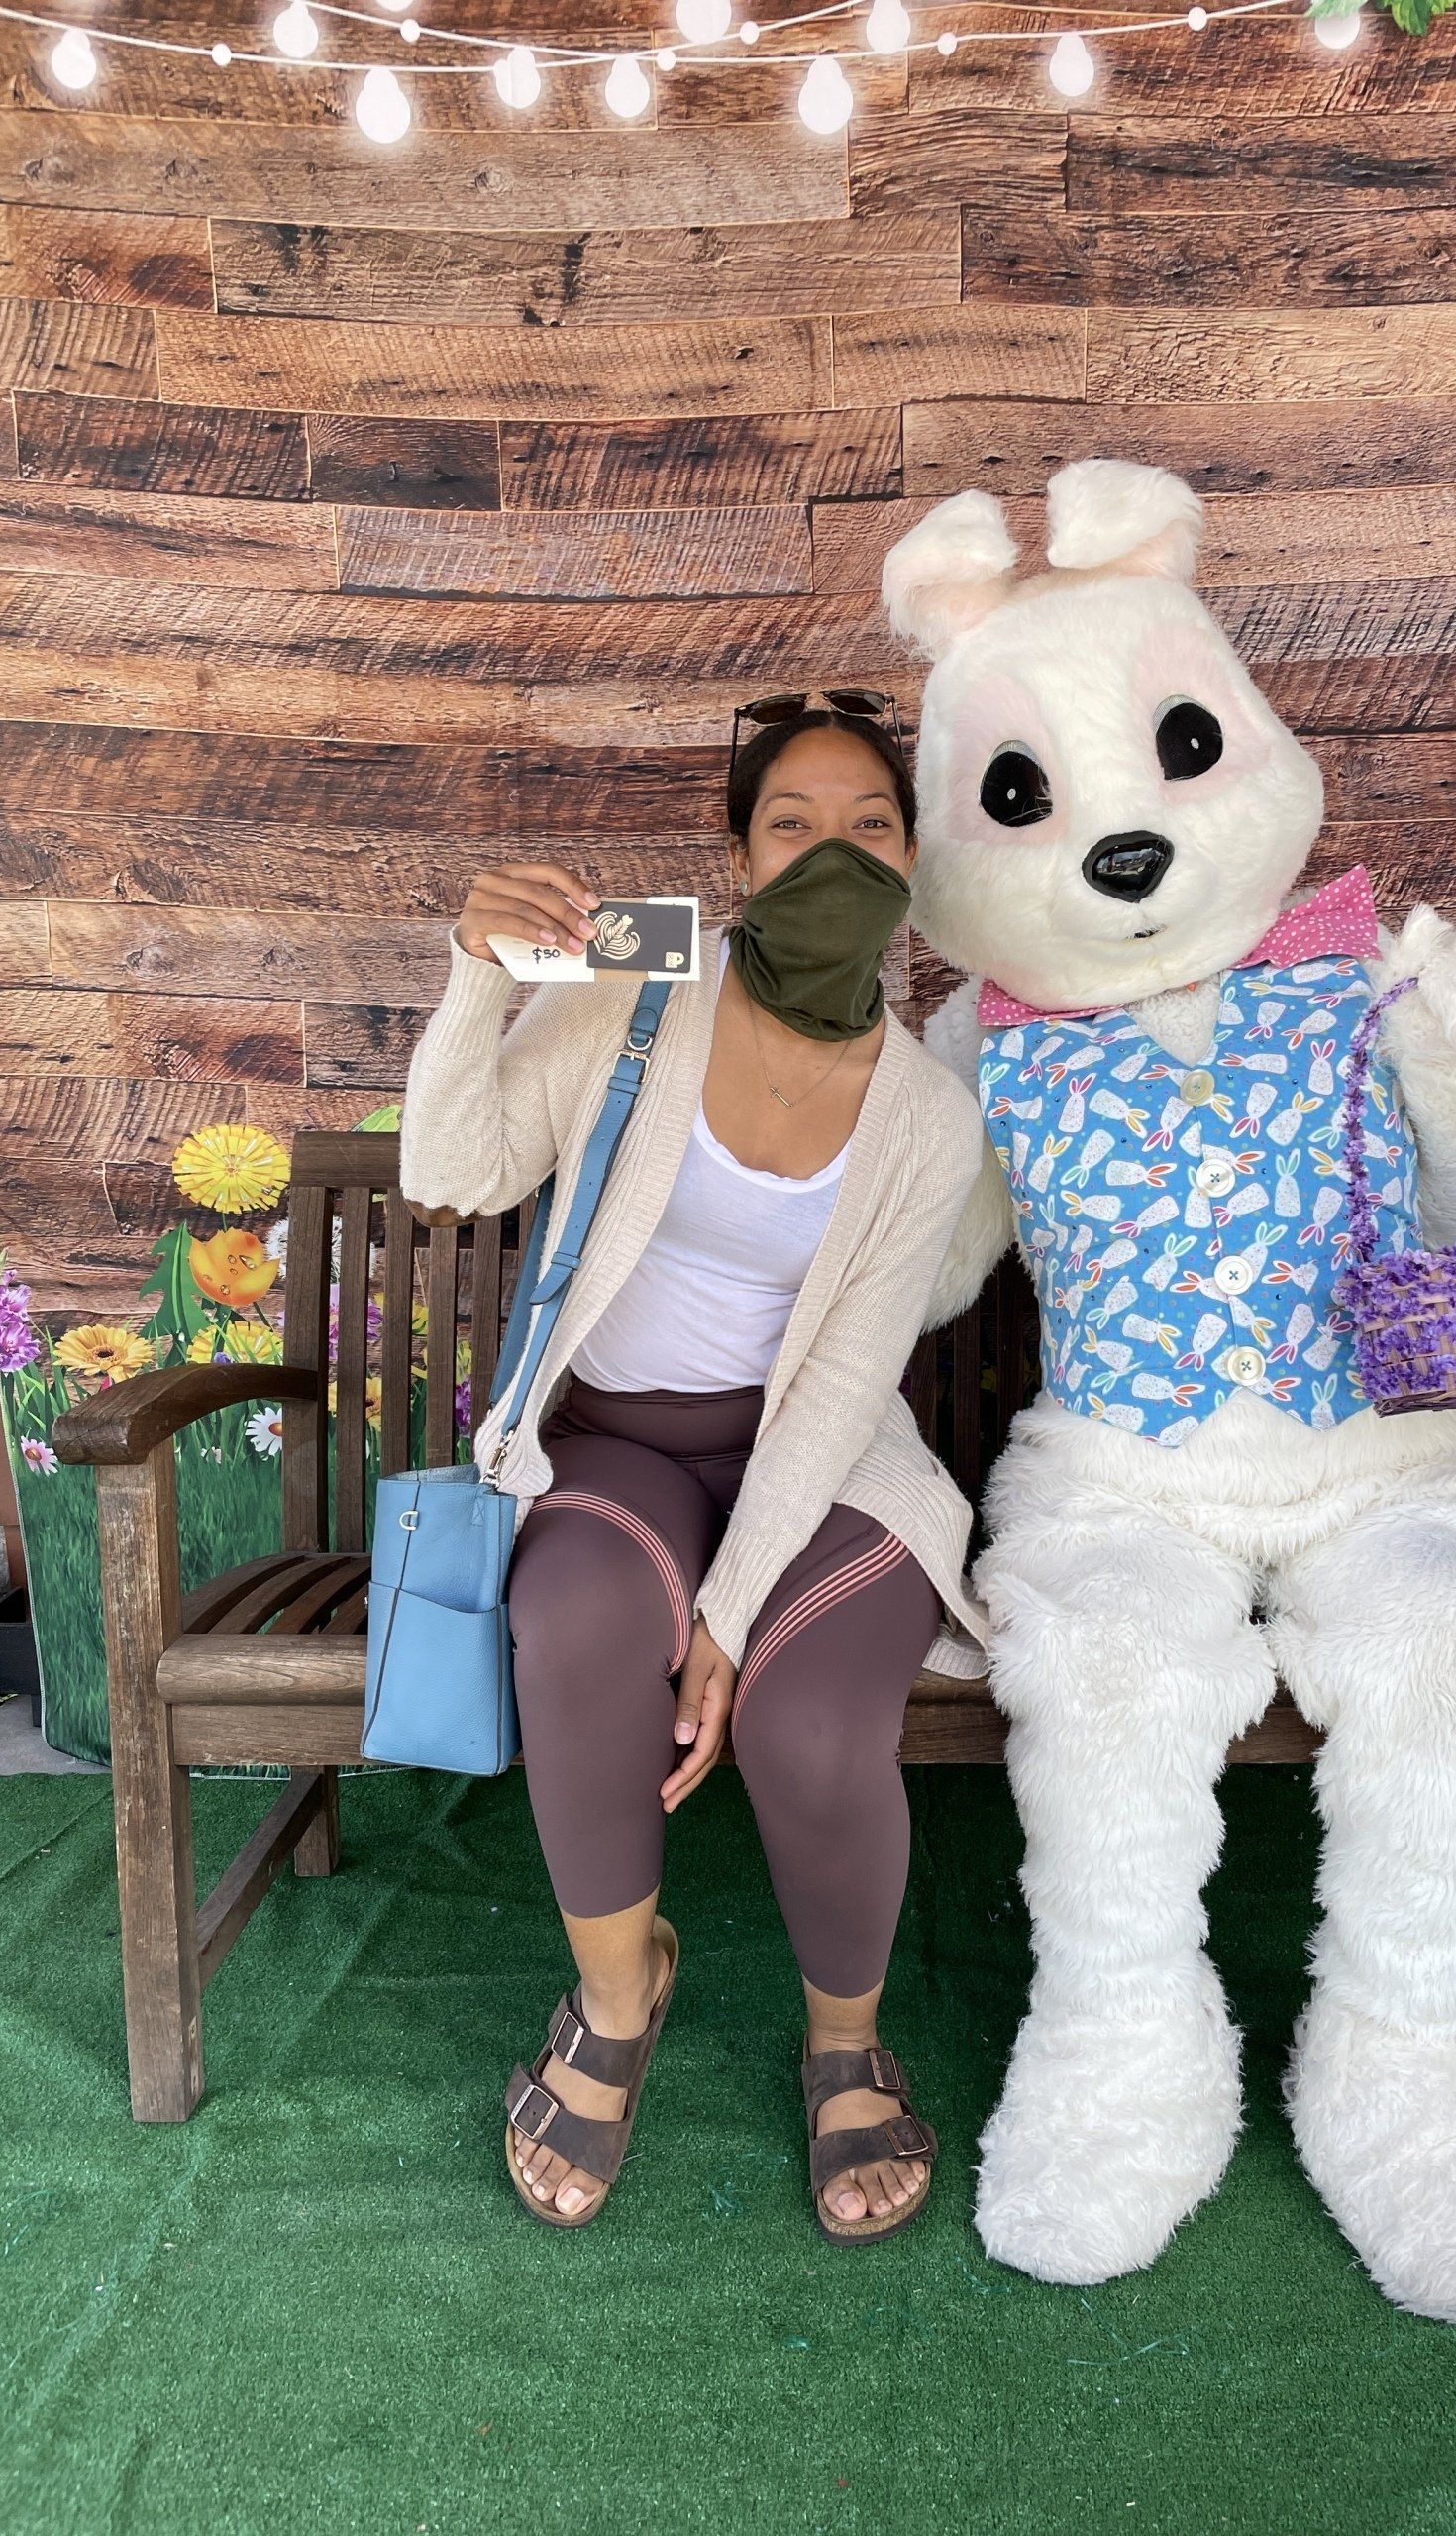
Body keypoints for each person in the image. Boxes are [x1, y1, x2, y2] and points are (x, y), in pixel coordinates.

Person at [398, 693, 990, 2245]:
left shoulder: (931, 1113)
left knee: (808, 1713)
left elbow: (846, 1386)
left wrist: (727, 1625)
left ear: (914, 862)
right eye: (790, 823)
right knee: (582, 1617)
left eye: (871, 825)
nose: (833, 851)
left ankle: (845, 2044)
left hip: (829, 1464)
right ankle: (617, 1995)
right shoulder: (640, 978)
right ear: (735, 858)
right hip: (620, 1441)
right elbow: (453, 1173)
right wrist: (475, 971)